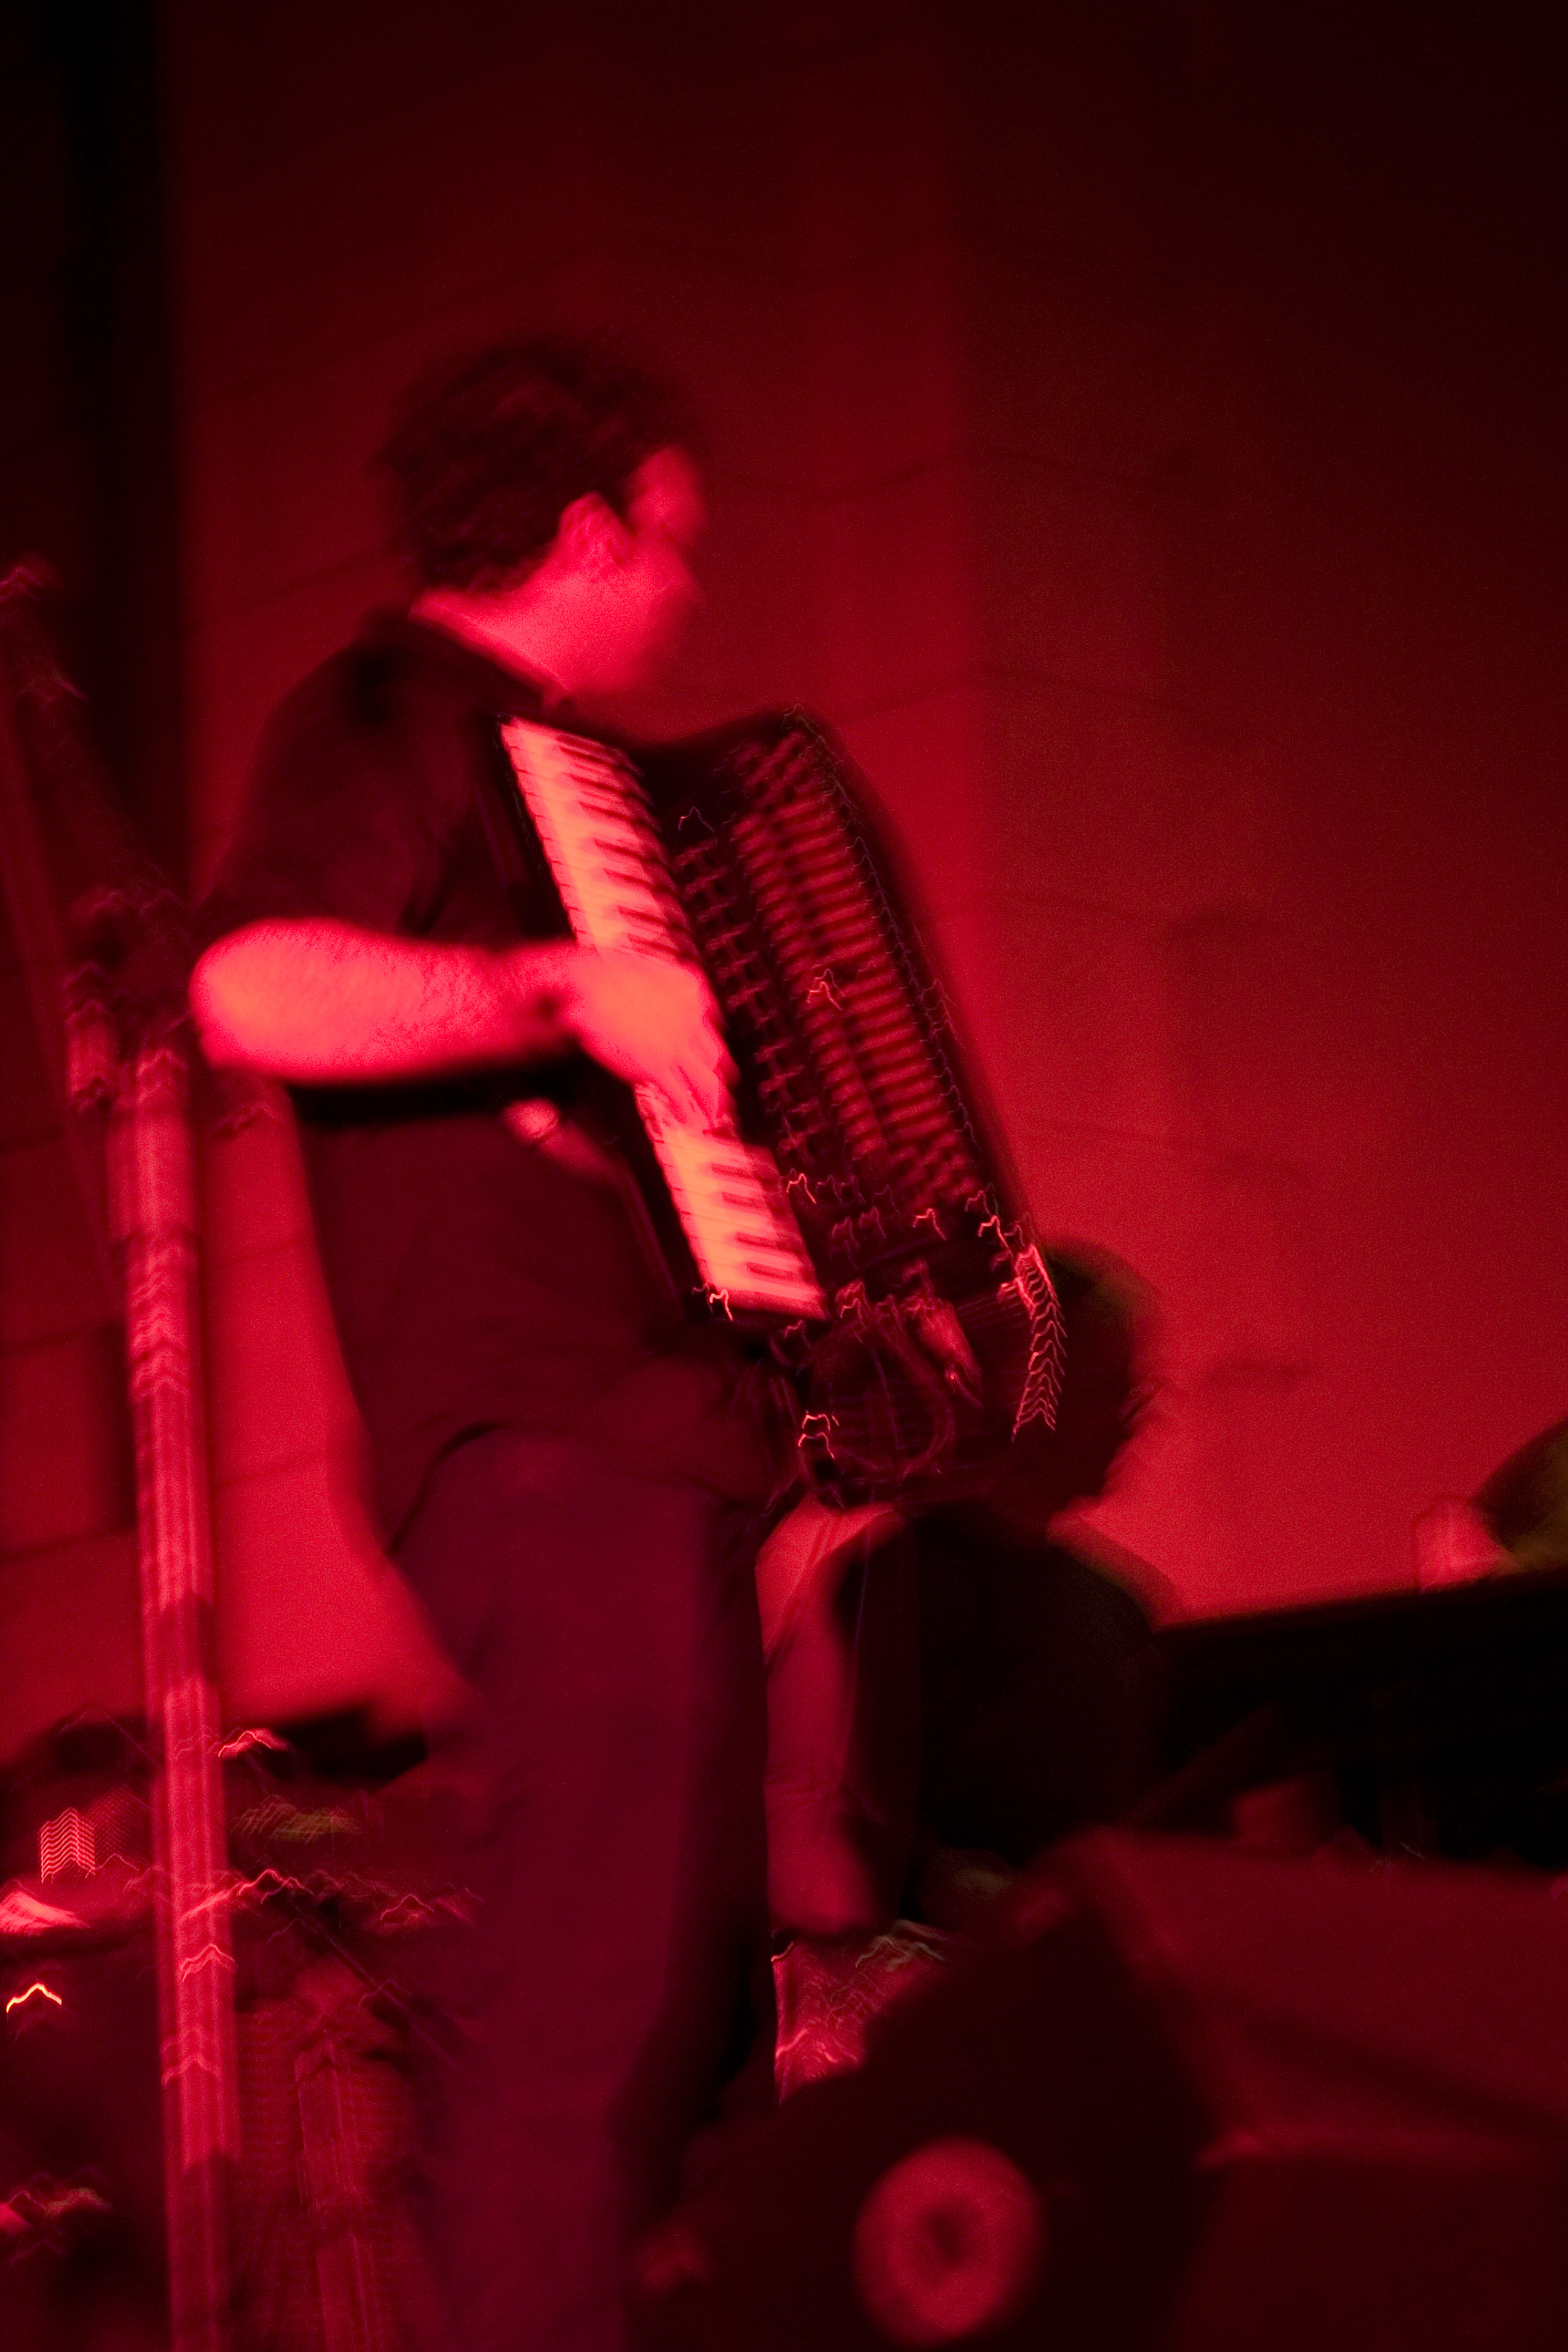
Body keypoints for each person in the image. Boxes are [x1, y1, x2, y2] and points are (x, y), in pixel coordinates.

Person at [190, 338, 789, 2352]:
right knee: (575, 2033)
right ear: (588, 532)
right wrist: (558, 994)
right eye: (674, 543)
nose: (690, 588)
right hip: (548, 1438)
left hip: (653, 1440)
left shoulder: (573, 777)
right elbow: (255, 986)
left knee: (678, 2039)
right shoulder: (389, 713)